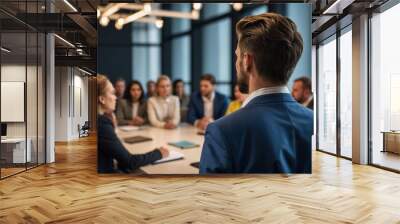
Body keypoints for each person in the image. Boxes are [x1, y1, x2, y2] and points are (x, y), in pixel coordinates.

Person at [199, 13, 313, 174]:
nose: (236, 63)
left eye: (237, 55)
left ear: (247, 61)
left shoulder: (222, 131)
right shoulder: (314, 122)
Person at [97, 74, 169, 173]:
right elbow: (130, 161)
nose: (115, 97)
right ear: (102, 99)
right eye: (112, 93)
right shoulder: (101, 123)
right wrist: (159, 153)